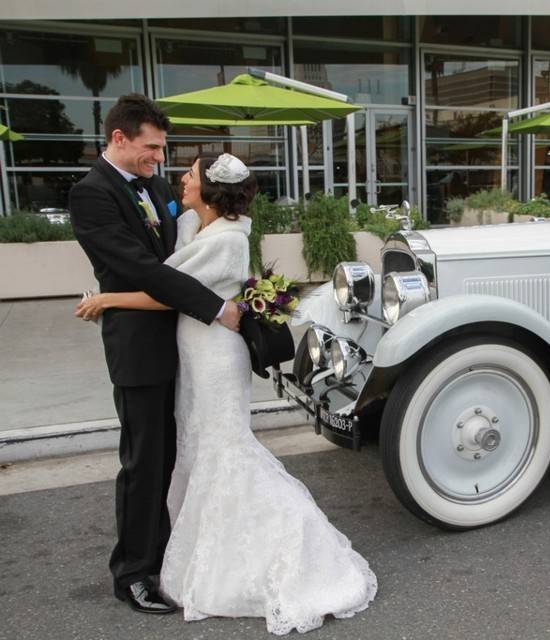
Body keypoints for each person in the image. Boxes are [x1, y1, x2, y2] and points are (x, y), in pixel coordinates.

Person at [76, 152, 377, 635]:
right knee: (194, 450)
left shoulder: (230, 239)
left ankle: (266, 552)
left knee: (225, 449)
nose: (179, 179)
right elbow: (165, 250)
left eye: (190, 176)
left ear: (210, 190)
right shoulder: (196, 223)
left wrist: (105, 298)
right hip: (192, 350)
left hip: (214, 355)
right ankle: (194, 551)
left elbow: (167, 289)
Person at [69, 94, 243, 615]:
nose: (159, 159)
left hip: (187, 346)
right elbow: (141, 268)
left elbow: (182, 255)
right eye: (150, 148)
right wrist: (215, 306)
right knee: (145, 461)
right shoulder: (91, 194)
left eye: (162, 150)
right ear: (118, 139)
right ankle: (134, 573)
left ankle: (170, 553)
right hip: (140, 349)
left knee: (176, 454)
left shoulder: (157, 186)